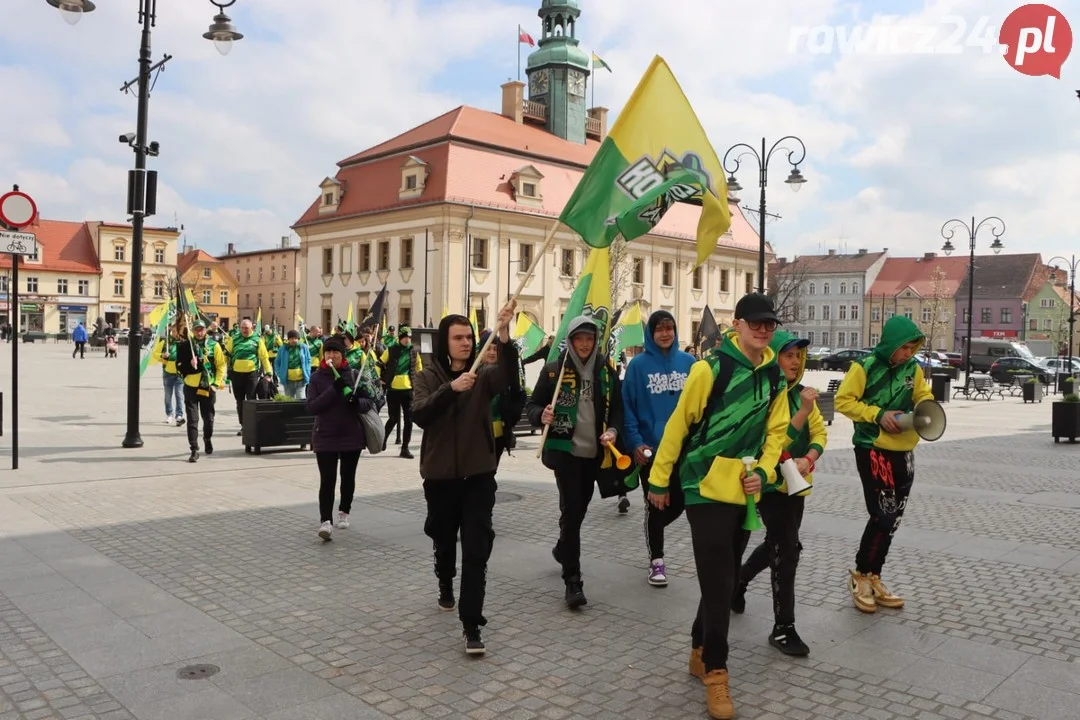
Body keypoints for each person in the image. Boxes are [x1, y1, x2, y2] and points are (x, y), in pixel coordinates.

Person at [647, 293, 790, 720]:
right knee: (720, 579)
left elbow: (776, 432)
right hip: (702, 485)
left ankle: (697, 648)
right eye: (756, 324)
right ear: (738, 324)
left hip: (744, 489)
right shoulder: (710, 369)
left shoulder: (774, 376)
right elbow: (679, 424)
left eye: (769, 325)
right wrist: (658, 478)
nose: (763, 331)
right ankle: (716, 670)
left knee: (722, 579)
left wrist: (764, 473)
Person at [413, 301, 517, 655]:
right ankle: (445, 580)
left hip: (478, 475)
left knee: (476, 549)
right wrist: (451, 389)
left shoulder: (482, 375)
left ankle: (472, 624)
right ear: (445, 341)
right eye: (458, 337)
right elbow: (420, 414)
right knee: (443, 537)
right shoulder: (427, 376)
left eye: (470, 337)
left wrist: (503, 335)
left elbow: (506, 377)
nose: (466, 343)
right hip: (440, 477)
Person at [733, 330, 826, 657]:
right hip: (766, 484)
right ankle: (783, 627)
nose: (795, 361)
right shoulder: (764, 395)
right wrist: (801, 412)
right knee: (786, 549)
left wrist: (809, 457)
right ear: (773, 355)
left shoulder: (803, 393)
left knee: (781, 543)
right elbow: (773, 443)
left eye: (798, 356)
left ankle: (739, 582)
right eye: (788, 355)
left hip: (794, 485)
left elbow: (820, 433)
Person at [835, 315, 932, 614]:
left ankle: (874, 575)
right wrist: (877, 414)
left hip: (904, 448)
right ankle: (861, 576)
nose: (908, 353)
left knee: (894, 518)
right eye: (904, 347)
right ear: (891, 344)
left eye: (913, 347)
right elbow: (843, 400)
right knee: (882, 515)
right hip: (872, 448)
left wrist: (924, 406)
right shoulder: (863, 368)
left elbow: (923, 395)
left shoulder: (912, 369)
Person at [527, 316, 625, 611]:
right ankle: (573, 581)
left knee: (578, 511)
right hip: (565, 454)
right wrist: (539, 416)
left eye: (589, 339)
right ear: (569, 341)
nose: (584, 344)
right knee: (572, 512)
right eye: (579, 338)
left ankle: (562, 548)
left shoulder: (606, 372)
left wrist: (613, 431)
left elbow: (618, 410)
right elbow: (532, 405)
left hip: (595, 454)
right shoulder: (554, 372)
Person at [621, 310, 695, 587]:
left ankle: (653, 527)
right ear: (650, 333)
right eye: (659, 329)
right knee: (656, 504)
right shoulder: (638, 367)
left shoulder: (689, 363)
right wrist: (635, 443)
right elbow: (627, 408)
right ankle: (657, 561)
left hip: (684, 452)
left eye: (670, 328)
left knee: (680, 501)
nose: (665, 333)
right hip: (651, 450)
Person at [305, 336, 373, 539]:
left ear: (342, 355)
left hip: (351, 435)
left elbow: (368, 402)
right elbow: (312, 406)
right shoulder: (317, 378)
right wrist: (333, 390)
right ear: (323, 355)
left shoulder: (353, 374)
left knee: (347, 476)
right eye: (328, 352)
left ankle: (344, 511)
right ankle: (326, 521)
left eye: (335, 352)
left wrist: (356, 402)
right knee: (327, 479)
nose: (331, 355)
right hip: (325, 435)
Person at [175, 320, 228, 463]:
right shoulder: (186, 345)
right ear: (192, 331)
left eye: (202, 330)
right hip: (191, 387)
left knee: (208, 418)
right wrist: (189, 365)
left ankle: (207, 438)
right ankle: (194, 448)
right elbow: (178, 366)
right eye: (197, 330)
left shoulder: (214, 345)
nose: (199, 332)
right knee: (192, 420)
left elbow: (221, 365)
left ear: (206, 330)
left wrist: (216, 383)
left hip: (208, 386)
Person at [478, 328, 528, 463]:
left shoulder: (506, 375)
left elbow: (519, 395)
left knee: (490, 470)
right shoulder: (472, 374)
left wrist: (512, 418)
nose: (492, 353)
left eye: (495, 349)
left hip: (498, 436)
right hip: (476, 437)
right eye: (488, 349)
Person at [224, 319, 272, 434]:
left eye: (247, 328)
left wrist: (269, 373)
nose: (244, 330)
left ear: (252, 328)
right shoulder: (234, 339)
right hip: (237, 375)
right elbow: (226, 354)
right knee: (239, 402)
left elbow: (264, 357)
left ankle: (253, 425)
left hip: (251, 374)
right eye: (242, 328)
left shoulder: (257, 340)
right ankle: (243, 425)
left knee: (251, 400)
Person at [381, 326, 422, 459]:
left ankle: (405, 448)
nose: (407, 340)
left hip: (408, 389)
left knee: (409, 419)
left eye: (409, 337)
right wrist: (380, 379)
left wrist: (419, 382)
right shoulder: (391, 349)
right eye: (405, 337)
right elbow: (379, 363)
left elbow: (419, 367)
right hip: (393, 389)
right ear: (400, 338)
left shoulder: (414, 351)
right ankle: (383, 440)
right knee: (393, 418)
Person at [157, 328, 185, 427]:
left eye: (176, 331)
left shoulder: (183, 342)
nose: (175, 333)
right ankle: (169, 414)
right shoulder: (166, 342)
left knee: (179, 395)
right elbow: (155, 355)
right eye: (173, 331)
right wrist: (162, 355)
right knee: (168, 396)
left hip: (179, 373)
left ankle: (179, 416)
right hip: (167, 373)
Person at [274, 330, 312, 400]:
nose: (294, 340)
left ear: (298, 339)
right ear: (288, 339)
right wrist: (280, 373)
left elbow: (308, 360)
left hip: (301, 379)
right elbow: (277, 363)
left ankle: (300, 411)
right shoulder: (282, 349)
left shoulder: (303, 347)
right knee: (289, 400)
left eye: (295, 338)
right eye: (291, 338)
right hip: (288, 380)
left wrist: (307, 371)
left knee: (301, 399)